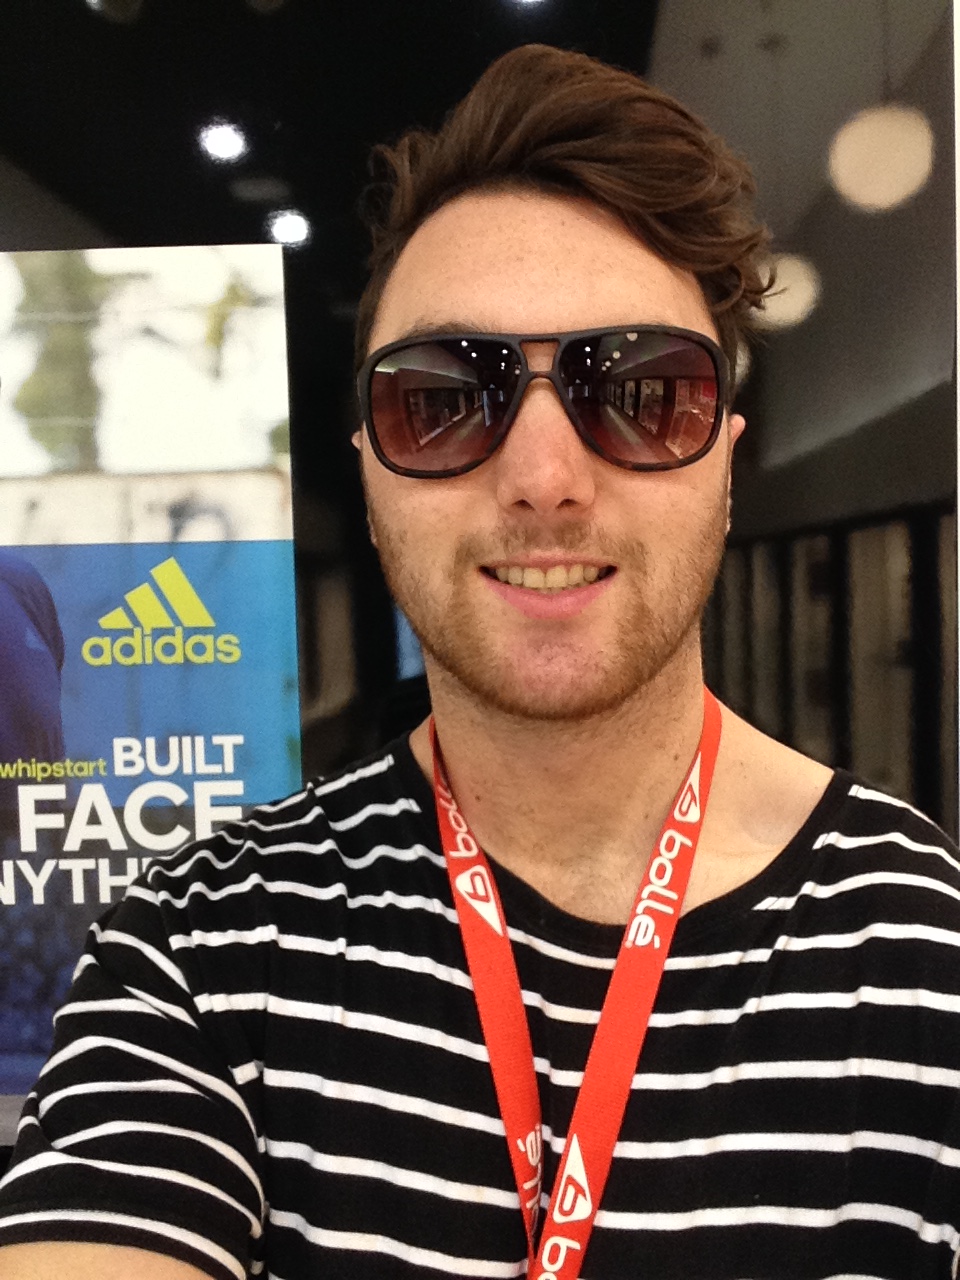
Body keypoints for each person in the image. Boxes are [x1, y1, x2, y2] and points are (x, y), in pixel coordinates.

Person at [0, 42, 958, 1280]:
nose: (544, 479)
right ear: (369, 469)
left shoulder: (926, 950)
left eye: (643, 393)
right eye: (442, 399)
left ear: (725, 459)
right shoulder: (200, 948)